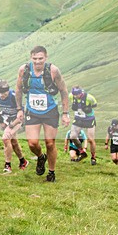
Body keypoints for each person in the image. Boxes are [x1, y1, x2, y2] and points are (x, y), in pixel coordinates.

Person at [14, 46, 71, 182]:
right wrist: (19, 109)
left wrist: (65, 113)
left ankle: (51, 172)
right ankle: (41, 156)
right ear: (31, 58)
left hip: (50, 111)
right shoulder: (24, 70)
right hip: (32, 111)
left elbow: (63, 91)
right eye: (35, 59)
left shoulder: (53, 71)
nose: (38, 62)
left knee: (50, 143)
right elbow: (18, 89)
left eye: (40, 58)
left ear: (46, 57)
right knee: (32, 143)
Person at [0, 80, 29, 172]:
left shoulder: (13, 96)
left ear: (8, 91)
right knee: (14, 142)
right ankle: (23, 161)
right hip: (6, 118)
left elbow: (21, 113)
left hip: (17, 119)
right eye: (0, 93)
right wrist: (1, 121)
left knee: (5, 138)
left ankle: (8, 166)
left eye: (4, 93)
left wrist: (13, 124)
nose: (1, 95)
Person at [68, 86, 98, 164]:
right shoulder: (71, 96)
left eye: (77, 94)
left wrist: (88, 108)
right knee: (72, 136)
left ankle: (93, 157)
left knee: (91, 139)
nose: (76, 96)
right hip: (78, 119)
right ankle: (82, 152)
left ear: (81, 92)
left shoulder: (89, 97)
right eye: (74, 94)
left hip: (89, 119)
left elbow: (95, 104)